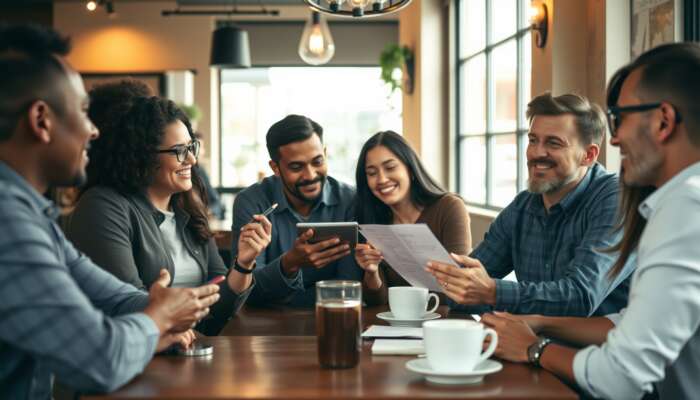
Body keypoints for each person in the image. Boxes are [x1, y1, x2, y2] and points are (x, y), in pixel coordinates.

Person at [0, 23, 220, 399]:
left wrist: (161, 305)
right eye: (83, 112)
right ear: (41, 120)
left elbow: (116, 296)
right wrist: (159, 317)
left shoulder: (32, 215)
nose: (94, 131)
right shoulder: (9, 224)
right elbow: (102, 357)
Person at [481, 42, 700, 400]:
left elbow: (619, 378)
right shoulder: (676, 202)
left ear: (663, 121)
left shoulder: (685, 208)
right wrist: (536, 323)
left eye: (621, 118)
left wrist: (533, 347)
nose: (615, 137)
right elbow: (630, 323)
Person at [67, 93, 271, 336]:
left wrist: (244, 264)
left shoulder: (188, 206)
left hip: (187, 354)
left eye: (191, 147)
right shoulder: (103, 207)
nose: (193, 159)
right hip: (137, 360)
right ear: (141, 156)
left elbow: (218, 308)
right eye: (179, 151)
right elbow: (125, 305)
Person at [426, 92, 634, 316]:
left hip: (603, 347)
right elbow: (465, 291)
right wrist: (459, 284)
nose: (536, 153)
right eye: (533, 140)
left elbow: (581, 296)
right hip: (532, 342)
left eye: (553, 143)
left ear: (589, 155)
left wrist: (492, 292)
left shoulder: (616, 198)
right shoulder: (523, 206)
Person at [231, 114, 361, 308]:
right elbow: (247, 292)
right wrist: (288, 264)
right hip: (267, 329)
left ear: (325, 153)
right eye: (296, 167)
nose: (310, 175)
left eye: (317, 162)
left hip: (333, 317)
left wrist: (282, 295)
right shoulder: (252, 202)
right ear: (275, 167)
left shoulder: (349, 200)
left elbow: (348, 288)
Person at [353, 130, 471, 305]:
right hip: (396, 327)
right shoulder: (374, 222)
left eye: (390, 167)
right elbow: (377, 304)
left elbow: (462, 285)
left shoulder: (449, 207)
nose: (382, 179)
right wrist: (372, 272)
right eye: (372, 173)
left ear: (410, 168)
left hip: (445, 321)